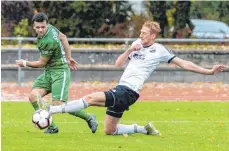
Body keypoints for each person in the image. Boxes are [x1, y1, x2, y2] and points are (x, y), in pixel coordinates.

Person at [38, 20, 226, 136]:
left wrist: (208, 71)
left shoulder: (159, 50)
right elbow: (118, 64)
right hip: (122, 89)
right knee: (109, 131)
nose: (140, 35)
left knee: (90, 98)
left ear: (152, 35)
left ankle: (52, 110)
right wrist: (129, 49)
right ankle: (144, 129)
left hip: (128, 91)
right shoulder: (136, 44)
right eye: (140, 33)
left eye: (143, 33)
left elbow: (184, 63)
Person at [16, 12, 98, 134]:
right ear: (33, 26)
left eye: (43, 27)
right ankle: (52, 126)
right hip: (49, 72)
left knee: (58, 105)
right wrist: (69, 57)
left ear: (46, 25)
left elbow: (41, 63)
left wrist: (25, 63)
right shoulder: (51, 29)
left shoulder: (48, 41)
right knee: (34, 96)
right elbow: (64, 37)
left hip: (59, 72)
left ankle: (89, 117)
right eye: (37, 27)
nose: (40, 30)